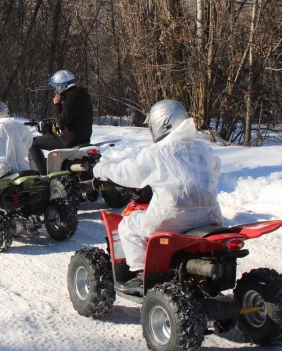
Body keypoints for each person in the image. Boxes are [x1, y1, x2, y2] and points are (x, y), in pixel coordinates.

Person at [92, 100, 222, 291]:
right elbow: (212, 175)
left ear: (161, 123)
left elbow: (129, 173)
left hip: (173, 218)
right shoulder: (204, 149)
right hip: (210, 218)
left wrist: (102, 169)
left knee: (128, 226)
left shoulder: (157, 152)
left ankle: (141, 273)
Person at [29, 70, 93, 174]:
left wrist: (57, 105)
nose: (56, 90)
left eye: (57, 87)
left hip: (69, 140)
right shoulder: (82, 96)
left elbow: (61, 123)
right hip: (84, 138)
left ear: (63, 87)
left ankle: (43, 174)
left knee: (32, 143)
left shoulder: (72, 99)